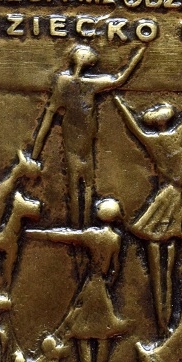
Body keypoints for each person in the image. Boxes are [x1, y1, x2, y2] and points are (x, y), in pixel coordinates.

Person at [113, 60, 182, 332]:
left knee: (162, 263)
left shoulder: (155, 139)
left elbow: (134, 127)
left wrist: (120, 104)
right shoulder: (174, 135)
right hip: (168, 198)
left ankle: (165, 320)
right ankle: (164, 319)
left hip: (169, 199)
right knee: (166, 263)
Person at [25, 198, 126, 362]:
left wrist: (35, 233)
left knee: (83, 346)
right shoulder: (116, 238)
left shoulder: (92, 235)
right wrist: (106, 282)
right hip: (102, 294)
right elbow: (115, 270)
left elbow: (64, 236)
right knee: (103, 345)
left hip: (89, 291)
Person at [32, 44, 145, 226]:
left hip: (85, 141)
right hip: (75, 140)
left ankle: (82, 224)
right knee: (80, 182)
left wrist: (138, 56)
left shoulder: (85, 84)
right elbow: (48, 117)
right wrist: (35, 153)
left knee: (84, 182)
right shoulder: (68, 83)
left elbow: (48, 117)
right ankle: (79, 224)